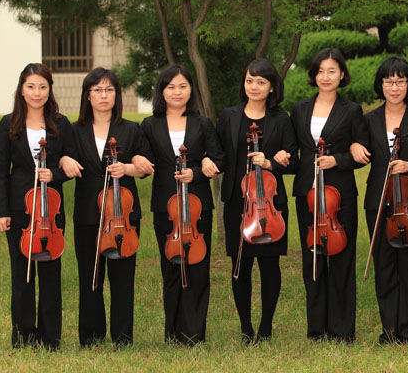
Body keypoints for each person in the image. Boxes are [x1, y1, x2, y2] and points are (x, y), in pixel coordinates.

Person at [59, 68, 153, 347]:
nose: (103, 95)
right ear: (87, 95)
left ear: (117, 95)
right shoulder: (74, 130)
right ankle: (91, 336)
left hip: (123, 215)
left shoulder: (131, 129)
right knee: (90, 276)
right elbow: (62, 158)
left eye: (109, 90)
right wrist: (64, 159)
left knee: (123, 278)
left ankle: (122, 337)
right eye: (97, 90)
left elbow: (145, 166)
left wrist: (128, 167)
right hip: (88, 212)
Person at [350, 56, 408, 344]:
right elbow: (360, 150)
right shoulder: (368, 120)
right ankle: (389, 329)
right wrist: (354, 146)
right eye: (389, 82)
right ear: (381, 85)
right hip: (378, 201)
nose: (395, 87)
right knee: (385, 267)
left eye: (400, 81)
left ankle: (407, 330)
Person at [213, 59, 297, 343]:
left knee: (270, 266)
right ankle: (246, 328)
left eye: (261, 82)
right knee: (240, 266)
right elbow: (219, 154)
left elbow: (293, 160)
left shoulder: (281, 119)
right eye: (250, 80)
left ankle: (266, 328)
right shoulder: (229, 116)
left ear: (272, 87)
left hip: (269, 203)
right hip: (239, 203)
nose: (254, 86)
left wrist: (272, 162)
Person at [140, 65, 225, 345]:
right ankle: (173, 332)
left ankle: (194, 333)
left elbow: (219, 159)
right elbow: (144, 161)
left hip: (198, 206)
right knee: (171, 268)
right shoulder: (149, 125)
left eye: (183, 86)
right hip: (165, 206)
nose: (177, 92)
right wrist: (138, 162)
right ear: (161, 91)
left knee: (198, 267)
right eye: (171, 87)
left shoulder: (203, 123)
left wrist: (198, 172)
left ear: (191, 90)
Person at [0, 63, 74, 350]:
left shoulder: (61, 124)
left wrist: (55, 174)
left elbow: (72, 163)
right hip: (20, 209)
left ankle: (50, 338)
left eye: (42, 86)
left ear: (49, 89)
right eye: (31, 87)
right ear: (22, 90)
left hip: (51, 210)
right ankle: (23, 335)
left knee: (51, 274)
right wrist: (3, 212)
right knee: (22, 274)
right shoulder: (8, 123)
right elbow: (1, 171)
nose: (37, 92)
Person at [290, 48, 364, 342]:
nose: (325, 77)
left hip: (339, 194)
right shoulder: (299, 109)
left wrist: (338, 160)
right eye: (320, 71)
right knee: (313, 260)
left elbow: (362, 154)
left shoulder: (352, 110)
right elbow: (294, 151)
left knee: (342, 259)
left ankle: (342, 330)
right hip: (307, 193)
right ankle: (316, 329)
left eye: (332, 71)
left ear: (342, 74)